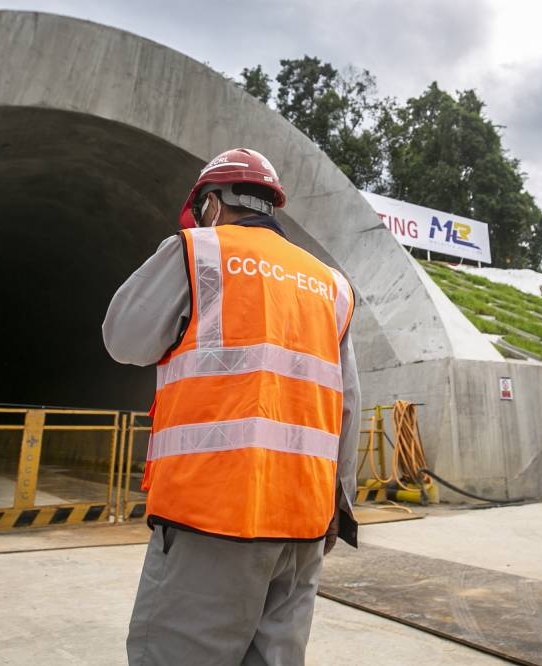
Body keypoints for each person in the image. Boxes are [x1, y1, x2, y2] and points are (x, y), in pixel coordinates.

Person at [102, 147, 360, 666]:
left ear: (212, 204)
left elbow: (123, 338)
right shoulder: (330, 284)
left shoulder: (198, 251)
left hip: (211, 517)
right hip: (303, 526)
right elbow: (347, 404)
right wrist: (338, 505)